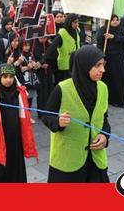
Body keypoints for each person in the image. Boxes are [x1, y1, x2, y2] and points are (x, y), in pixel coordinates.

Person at [41, 45, 110, 183]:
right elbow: (46, 115)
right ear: (84, 66)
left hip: (95, 159)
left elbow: (104, 118)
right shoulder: (62, 88)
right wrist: (58, 123)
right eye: (97, 65)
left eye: (103, 65)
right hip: (68, 160)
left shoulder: (103, 87)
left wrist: (105, 135)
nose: (102, 70)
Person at [0, 63, 38, 183]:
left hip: (16, 141)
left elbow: (25, 119)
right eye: (5, 77)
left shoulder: (20, 93)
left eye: (11, 77)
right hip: (0, 141)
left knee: (16, 171)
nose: (8, 80)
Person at [97, 15, 124, 107]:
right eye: (113, 20)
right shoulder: (103, 29)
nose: (115, 22)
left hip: (119, 58)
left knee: (121, 78)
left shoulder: (120, 29)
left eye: (117, 20)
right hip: (108, 58)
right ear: (109, 21)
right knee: (109, 79)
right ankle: (109, 99)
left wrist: (113, 37)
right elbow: (99, 42)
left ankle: (120, 100)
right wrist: (101, 58)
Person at [46, 13, 81, 84]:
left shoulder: (77, 30)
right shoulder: (62, 33)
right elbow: (52, 48)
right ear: (70, 22)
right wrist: (42, 61)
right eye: (75, 22)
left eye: (78, 22)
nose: (77, 24)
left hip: (75, 63)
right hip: (64, 66)